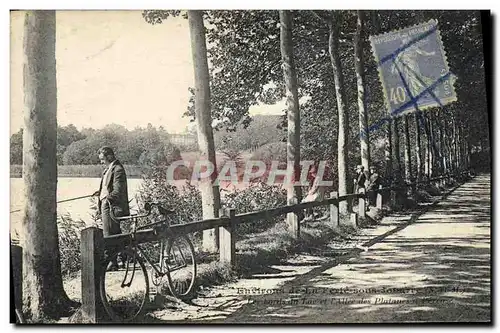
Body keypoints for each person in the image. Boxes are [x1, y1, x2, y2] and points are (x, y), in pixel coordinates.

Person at [92, 146, 130, 270]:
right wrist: (100, 193)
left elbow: (118, 191)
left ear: (109, 156)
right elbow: (108, 187)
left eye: (102, 159)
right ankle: (122, 258)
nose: (101, 162)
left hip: (112, 207)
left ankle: (112, 262)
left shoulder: (117, 169)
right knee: (115, 233)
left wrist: (106, 198)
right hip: (107, 205)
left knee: (108, 235)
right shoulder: (108, 169)